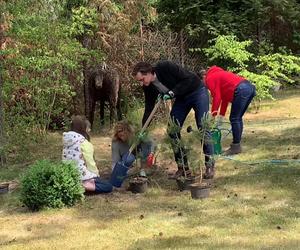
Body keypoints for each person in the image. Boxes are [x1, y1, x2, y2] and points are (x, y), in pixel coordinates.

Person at [132, 60, 215, 179]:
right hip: (181, 99)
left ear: (149, 72)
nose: (141, 83)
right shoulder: (148, 87)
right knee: (172, 130)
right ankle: (183, 168)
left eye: (142, 79)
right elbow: (149, 108)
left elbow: (188, 79)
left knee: (203, 126)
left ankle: (209, 165)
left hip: (197, 91)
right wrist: (144, 129)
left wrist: (172, 92)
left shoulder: (165, 67)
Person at [204, 66, 256, 155]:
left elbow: (217, 97)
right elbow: (224, 99)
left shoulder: (209, 79)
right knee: (237, 118)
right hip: (249, 87)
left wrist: (212, 116)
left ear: (204, 77)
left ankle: (236, 146)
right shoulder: (220, 75)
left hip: (241, 89)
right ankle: (237, 145)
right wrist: (221, 116)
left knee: (235, 118)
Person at [62, 115, 113, 194]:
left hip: (68, 175)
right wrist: (96, 175)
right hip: (82, 176)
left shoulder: (67, 140)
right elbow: (90, 162)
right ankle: (83, 186)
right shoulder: (84, 143)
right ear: (83, 129)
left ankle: (74, 185)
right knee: (108, 186)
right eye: (88, 128)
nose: (89, 130)